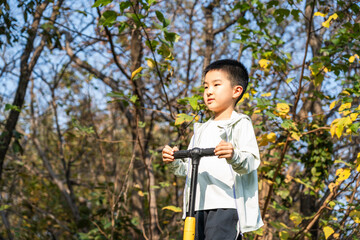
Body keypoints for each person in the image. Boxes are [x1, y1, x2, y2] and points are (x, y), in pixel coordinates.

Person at [162, 59, 263, 240]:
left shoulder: (239, 123)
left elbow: (250, 162)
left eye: (216, 85)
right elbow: (187, 169)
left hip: (226, 205)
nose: (209, 91)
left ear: (236, 91)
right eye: (206, 86)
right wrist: (174, 160)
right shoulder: (201, 130)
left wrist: (233, 155)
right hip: (196, 207)